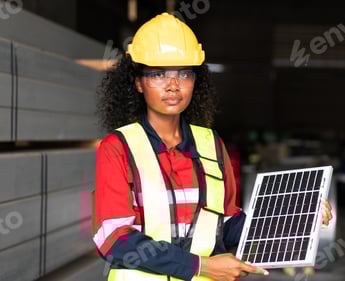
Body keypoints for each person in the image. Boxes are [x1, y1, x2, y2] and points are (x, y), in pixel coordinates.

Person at [93, 13, 332, 281]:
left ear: (196, 81)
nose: (173, 86)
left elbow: (226, 225)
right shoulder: (118, 148)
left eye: (184, 73)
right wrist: (200, 266)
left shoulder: (210, 144)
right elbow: (114, 240)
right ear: (138, 82)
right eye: (158, 74)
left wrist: (295, 216)